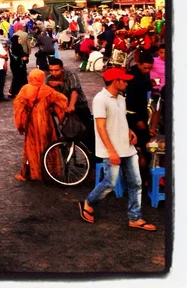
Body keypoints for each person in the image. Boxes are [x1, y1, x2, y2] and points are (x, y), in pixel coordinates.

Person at [78, 68, 156, 232]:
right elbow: (100, 127)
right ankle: (89, 202)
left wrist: (129, 132)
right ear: (116, 81)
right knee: (110, 183)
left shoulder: (121, 98)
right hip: (110, 148)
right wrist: (111, 151)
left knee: (136, 183)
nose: (127, 83)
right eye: (124, 80)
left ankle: (135, 217)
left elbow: (120, 120)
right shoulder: (101, 99)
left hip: (127, 147)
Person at [13, 69, 68, 181]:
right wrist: (57, 113)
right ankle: (50, 171)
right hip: (46, 122)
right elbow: (63, 100)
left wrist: (21, 125)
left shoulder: (25, 90)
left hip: (32, 123)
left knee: (31, 147)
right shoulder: (48, 90)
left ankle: (32, 172)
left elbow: (19, 109)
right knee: (48, 146)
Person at [46, 58, 93, 149]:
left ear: (62, 68)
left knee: (87, 132)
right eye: (51, 70)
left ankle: (93, 155)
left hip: (79, 106)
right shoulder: (49, 79)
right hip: (63, 109)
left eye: (56, 70)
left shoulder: (71, 75)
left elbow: (74, 91)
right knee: (63, 130)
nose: (54, 73)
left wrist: (71, 105)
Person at [125, 53, 154, 178]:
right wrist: (137, 119)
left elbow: (144, 87)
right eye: (145, 68)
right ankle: (140, 178)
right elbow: (130, 102)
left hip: (141, 113)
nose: (147, 71)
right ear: (139, 64)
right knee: (140, 149)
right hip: (134, 116)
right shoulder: (132, 77)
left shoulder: (141, 75)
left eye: (149, 68)